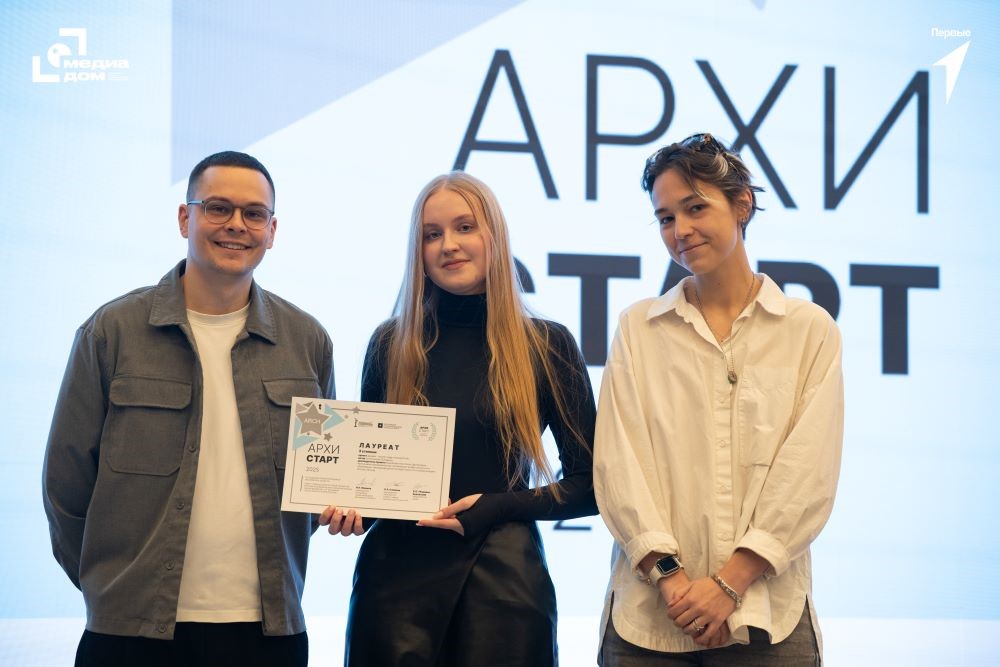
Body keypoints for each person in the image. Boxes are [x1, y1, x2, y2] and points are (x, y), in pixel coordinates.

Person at [42, 151, 335, 667]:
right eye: (218, 208)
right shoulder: (111, 332)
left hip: (269, 633)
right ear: (185, 218)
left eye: (254, 214)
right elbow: (65, 487)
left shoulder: (307, 340)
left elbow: (315, 482)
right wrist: (110, 588)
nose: (236, 225)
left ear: (271, 231)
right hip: (129, 635)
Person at [321, 171, 597, 666]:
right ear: (419, 252)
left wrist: (496, 507)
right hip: (393, 590)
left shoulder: (547, 345)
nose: (448, 244)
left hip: (505, 587)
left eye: (464, 227)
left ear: (495, 236)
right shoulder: (390, 345)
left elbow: (590, 486)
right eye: (432, 234)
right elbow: (370, 483)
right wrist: (351, 508)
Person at [594, 133, 844, 665]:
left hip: (768, 619)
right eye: (665, 218)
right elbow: (619, 466)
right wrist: (673, 581)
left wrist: (729, 584)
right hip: (650, 620)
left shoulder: (808, 329)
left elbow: (807, 474)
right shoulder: (638, 328)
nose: (680, 230)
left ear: (742, 204)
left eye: (695, 208)